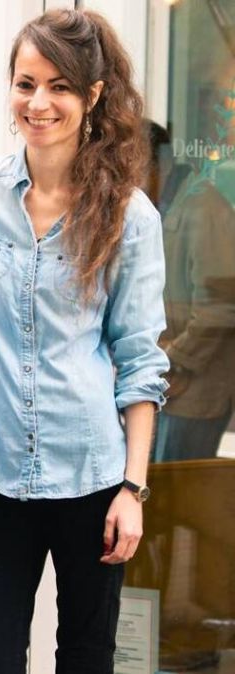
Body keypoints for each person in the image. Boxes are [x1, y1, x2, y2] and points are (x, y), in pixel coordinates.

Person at [0, 10, 169, 673]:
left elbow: (140, 360)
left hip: (93, 472)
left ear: (93, 95)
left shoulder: (131, 216)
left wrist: (133, 489)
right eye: (25, 83)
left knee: (86, 657)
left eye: (60, 86)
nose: (38, 103)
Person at [144, 121, 235, 462]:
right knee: (157, 499)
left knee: (177, 502)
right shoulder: (161, 210)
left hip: (195, 391)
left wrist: (169, 361)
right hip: (169, 383)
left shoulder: (202, 208)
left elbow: (219, 309)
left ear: (162, 164)